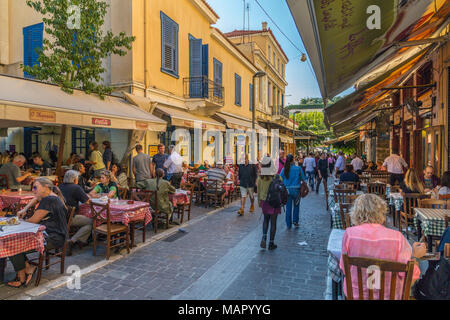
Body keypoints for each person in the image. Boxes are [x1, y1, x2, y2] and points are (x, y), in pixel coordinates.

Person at [339, 194, 425, 300]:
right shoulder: (397, 238)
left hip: (356, 295)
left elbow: (343, 267)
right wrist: (416, 257)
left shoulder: (350, 235)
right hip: (390, 296)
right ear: (382, 213)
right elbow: (410, 276)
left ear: (356, 213)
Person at [8, 178, 68, 288]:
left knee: (12, 244)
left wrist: (17, 222)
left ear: (45, 188)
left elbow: (33, 221)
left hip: (53, 238)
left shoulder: (48, 200)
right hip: (57, 235)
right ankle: (28, 267)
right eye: (32, 187)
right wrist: (25, 209)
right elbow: (36, 198)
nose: (33, 190)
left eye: (35, 187)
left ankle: (22, 278)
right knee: (14, 241)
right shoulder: (53, 196)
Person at [59, 170, 92, 256]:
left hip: (59, 216)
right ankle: (72, 241)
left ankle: (79, 241)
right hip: (69, 217)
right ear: (74, 179)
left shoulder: (60, 186)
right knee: (91, 222)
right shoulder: (76, 187)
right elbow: (87, 202)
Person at [257, 156, 281, 250]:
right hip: (274, 201)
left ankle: (264, 237)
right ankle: (271, 243)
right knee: (273, 223)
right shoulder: (275, 176)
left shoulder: (260, 178)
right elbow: (281, 185)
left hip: (264, 201)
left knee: (265, 220)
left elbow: (258, 191)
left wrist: (259, 202)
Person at [281, 154, 306, 229]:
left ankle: (288, 224)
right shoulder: (298, 168)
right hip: (296, 190)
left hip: (287, 190)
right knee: (296, 206)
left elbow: (280, 179)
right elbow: (303, 179)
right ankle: (295, 221)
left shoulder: (284, 169)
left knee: (288, 208)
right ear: (293, 160)